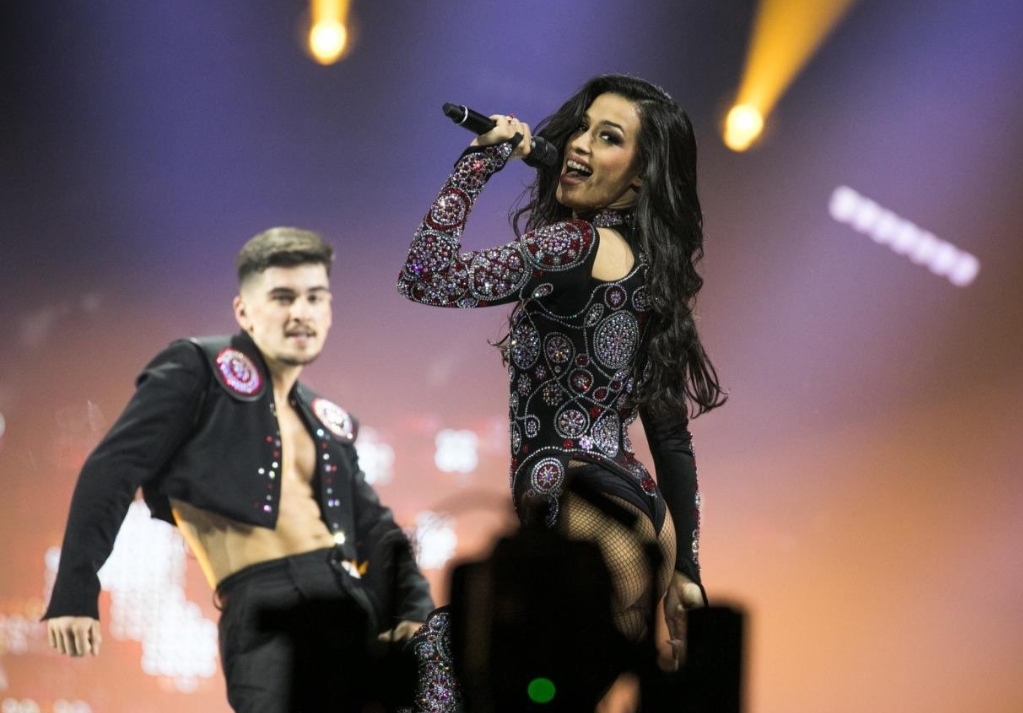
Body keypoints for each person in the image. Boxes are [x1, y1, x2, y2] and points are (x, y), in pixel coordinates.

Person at [398, 74, 726, 671]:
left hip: (578, 514)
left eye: (608, 137)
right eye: (582, 128)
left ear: (641, 175)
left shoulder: (574, 246)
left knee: (442, 675)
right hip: (640, 520)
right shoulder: (654, 273)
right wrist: (686, 570)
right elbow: (670, 435)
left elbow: (426, 276)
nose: (578, 143)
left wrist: (478, 162)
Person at [44, 227, 434, 712]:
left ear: (329, 311)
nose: (301, 312)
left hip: (350, 602)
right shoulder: (198, 368)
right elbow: (114, 467)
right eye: (283, 297)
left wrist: (414, 609)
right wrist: (75, 589)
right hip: (263, 600)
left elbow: (376, 527)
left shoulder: (327, 419)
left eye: (315, 297)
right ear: (244, 311)